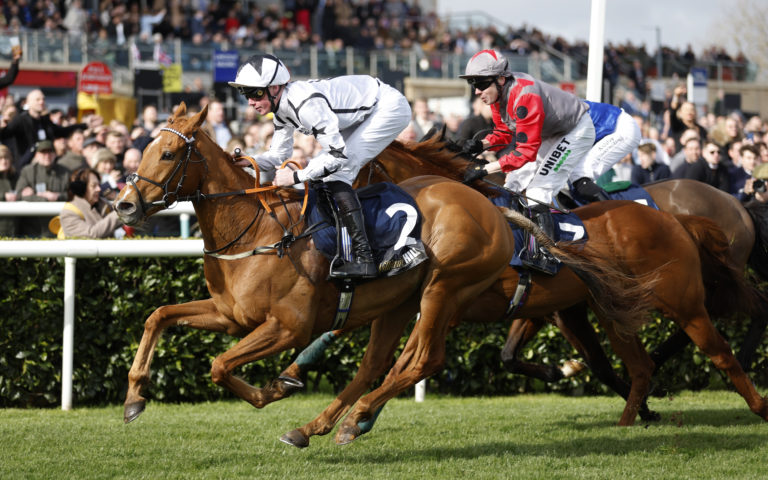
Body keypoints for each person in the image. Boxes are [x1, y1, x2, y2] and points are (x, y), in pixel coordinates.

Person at [229, 53, 411, 279]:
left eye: (255, 93)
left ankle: (365, 259)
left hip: (387, 107)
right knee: (321, 170)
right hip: (362, 111)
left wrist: (296, 177)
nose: (250, 101)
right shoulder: (282, 108)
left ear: (275, 88)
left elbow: (338, 156)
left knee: (338, 173)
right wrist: (250, 161)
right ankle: (340, 246)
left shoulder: (305, 105)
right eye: (245, 94)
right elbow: (279, 154)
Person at [458, 49, 598, 274]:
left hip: (574, 131)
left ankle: (549, 254)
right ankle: (518, 240)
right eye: (473, 84)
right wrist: (480, 145)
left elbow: (525, 153)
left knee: (538, 191)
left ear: (500, 79)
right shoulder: (497, 95)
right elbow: (504, 132)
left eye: (481, 84)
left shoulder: (525, 96)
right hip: (548, 132)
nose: (477, 91)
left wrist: (484, 169)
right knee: (512, 184)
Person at [0, 89, 90, 170]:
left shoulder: (45, 121)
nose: (41, 102)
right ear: (28, 102)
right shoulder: (20, 120)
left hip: (47, 165)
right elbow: (5, 134)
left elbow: (62, 131)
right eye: (38, 99)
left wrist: (85, 125)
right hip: (26, 166)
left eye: (43, 99)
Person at [14, 140, 71, 237]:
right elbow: (19, 195)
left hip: (58, 227)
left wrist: (57, 196)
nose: (47, 156)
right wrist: (44, 199)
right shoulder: (27, 171)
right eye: (43, 152)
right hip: (32, 228)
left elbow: (73, 195)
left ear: (55, 154)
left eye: (50, 152)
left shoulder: (65, 172)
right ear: (36, 155)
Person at [58, 167, 123, 238]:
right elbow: (91, 234)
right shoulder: (68, 213)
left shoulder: (105, 205)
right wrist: (119, 213)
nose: (99, 189)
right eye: (94, 186)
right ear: (81, 188)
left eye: (99, 185)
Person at [0, 144, 19, 236]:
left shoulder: (17, 177)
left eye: (6, 158)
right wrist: (3, 196)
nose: (4, 161)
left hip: (15, 229)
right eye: (0, 158)